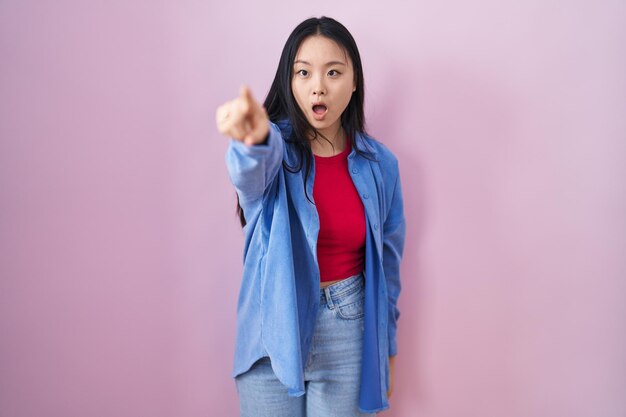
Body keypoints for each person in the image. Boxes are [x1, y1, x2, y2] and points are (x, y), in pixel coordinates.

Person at [215, 16, 406, 417]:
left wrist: (386, 345)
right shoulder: (275, 150)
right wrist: (253, 138)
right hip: (270, 331)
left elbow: (388, 267)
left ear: (354, 82)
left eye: (333, 72)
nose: (318, 85)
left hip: (348, 329)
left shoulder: (381, 165)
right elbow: (250, 173)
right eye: (303, 73)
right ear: (290, 81)